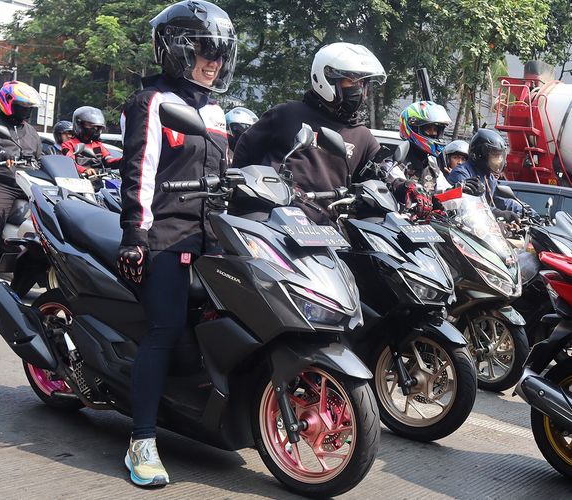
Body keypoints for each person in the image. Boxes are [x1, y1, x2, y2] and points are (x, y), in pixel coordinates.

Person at [116, 0, 236, 486]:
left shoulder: (217, 109)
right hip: (164, 233)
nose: (214, 62)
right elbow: (139, 172)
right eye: (204, 50)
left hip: (212, 236)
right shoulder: (153, 102)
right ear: (175, 51)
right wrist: (135, 236)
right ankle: (141, 441)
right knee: (164, 329)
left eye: (220, 53)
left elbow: (228, 176)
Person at [232, 42, 404, 223]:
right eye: (352, 81)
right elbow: (245, 154)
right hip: (275, 224)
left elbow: (383, 172)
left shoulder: (362, 135)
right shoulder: (287, 114)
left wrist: (404, 187)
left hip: (325, 230)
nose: (359, 90)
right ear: (327, 78)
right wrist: (240, 195)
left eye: (363, 83)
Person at [0, 80, 42, 281]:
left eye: (29, 108)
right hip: (0, 182)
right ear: (8, 102)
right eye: (23, 106)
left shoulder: (32, 132)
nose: (26, 112)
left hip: (28, 182)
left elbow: (40, 157)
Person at [447, 128, 526, 221]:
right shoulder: (461, 173)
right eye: (495, 156)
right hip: (459, 227)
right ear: (480, 154)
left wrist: (523, 210)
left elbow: (499, 200)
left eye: (500, 156)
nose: (499, 161)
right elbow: (471, 204)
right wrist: (498, 213)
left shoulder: (488, 176)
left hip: (481, 228)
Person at [61, 106, 120, 176]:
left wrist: (123, 160)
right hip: (80, 181)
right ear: (79, 124)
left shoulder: (98, 145)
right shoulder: (69, 145)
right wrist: (85, 170)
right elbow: (70, 163)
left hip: (99, 181)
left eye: (97, 127)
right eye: (90, 125)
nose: (95, 129)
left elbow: (108, 161)